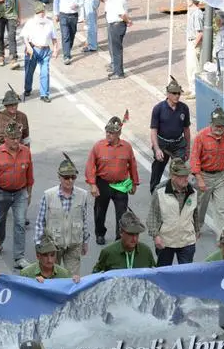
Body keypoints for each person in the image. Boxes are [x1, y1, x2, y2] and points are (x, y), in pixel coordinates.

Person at [93, 210, 156, 349]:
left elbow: (155, 276)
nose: (134, 239)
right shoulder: (108, 252)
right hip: (115, 310)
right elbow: (96, 276)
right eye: (131, 234)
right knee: (114, 346)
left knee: (141, 345)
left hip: (139, 310)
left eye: (137, 235)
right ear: (121, 232)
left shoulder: (145, 251)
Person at [0, 121, 34, 269]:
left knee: (20, 223)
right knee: (0, 221)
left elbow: (30, 175)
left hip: (20, 193)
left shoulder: (26, 151)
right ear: (5, 138)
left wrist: (29, 194)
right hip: (1, 194)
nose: (16, 141)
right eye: (12, 138)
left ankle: (19, 257)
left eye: (18, 137)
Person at [86, 115, 139, 245]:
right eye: (107, 132)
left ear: (119, 133)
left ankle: (119, 237)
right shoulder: (98, 147)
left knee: (122, 213)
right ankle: (100, 233)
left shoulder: (126, 147)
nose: (108, 135)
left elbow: (132, 165)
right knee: (100, 211)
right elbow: (90, 166)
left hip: (121, 185)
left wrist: (134, 183)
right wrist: (93, 184)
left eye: (112, 133)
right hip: (103, 183)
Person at [34, 154, 89, 275]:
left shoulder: (83, 195)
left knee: (72, 279)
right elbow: (40, 222)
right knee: (52, 277)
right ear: (59, 177)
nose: (70, 180)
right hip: (52, 247)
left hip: (74, 245)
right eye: (66, 177)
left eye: (73, 177)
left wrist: (85, 241)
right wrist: (38, 245)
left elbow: (84, 219)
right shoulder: (48, 195)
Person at [191, 106, 224, 235]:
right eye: (217, 126)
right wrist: (199, 179)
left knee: (221, 208)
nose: (219, 129)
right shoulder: (201, 136)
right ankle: (196, 228)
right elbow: (194, 159)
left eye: (222, 126)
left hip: (221, 176)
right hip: (205, 176)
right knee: (200, 207)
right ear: (211, 124)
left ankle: (221, 236)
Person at [147, 158, 198, 266]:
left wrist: (196, 231)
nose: (186, 179)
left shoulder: (193, 191)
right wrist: (156, 236)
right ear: (172, 176)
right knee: (164, 273)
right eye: (182, 176)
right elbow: (152, 216)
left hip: (187, 241)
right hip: (166, 241)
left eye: (186, 175)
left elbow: (195, 213)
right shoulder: (159, 191)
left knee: (186, 274)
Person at [148, 77, 190, 193]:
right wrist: (156, 149)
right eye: (174, 93)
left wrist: (188, 148)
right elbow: (153, 130)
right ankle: (154, 191)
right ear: (168, 94)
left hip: (178, 143)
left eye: (178, 93)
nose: (177, 96)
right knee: (158, 167)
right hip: (162, 143)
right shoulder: (158, 109)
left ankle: (177, 191)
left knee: (179, 169)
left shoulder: (184, 108)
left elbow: (186, 129)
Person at [20, 2, 58, 103]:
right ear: (36, 13)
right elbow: (25, 36)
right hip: (33, 49)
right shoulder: (30, 22)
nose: (41, 14)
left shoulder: (49, 23)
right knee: (29, 71)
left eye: (42, 12)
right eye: (39, 12)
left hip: (45, 50)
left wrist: (55, 49)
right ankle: (27, 89)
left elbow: (54, 38)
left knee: (45, 72)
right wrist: (28, 46)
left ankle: (44, 94)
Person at [105, 0, 130, 79]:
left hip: (117, 24)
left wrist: (128, 21)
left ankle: (119, 73)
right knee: (114, 48)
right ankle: (116, 70)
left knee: (116, 49)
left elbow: (121, 14)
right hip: (115, 24)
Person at [53, 0, 82, 65]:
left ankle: (68, 49)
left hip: (74, 15)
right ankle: (66, 56)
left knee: (72, 34)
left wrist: (77, 5)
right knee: (65, 35)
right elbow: (56, 1)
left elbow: (81, 1)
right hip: (63, 15)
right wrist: (56, 14)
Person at [183, 0, 202, 96]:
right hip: (190, 41)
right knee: (189, 67)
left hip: (193, 42)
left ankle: (195, 90)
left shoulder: (197, 13)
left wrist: (194, 44)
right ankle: (191, 88)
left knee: (194, 67)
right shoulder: (191, 12)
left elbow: (199, 32)